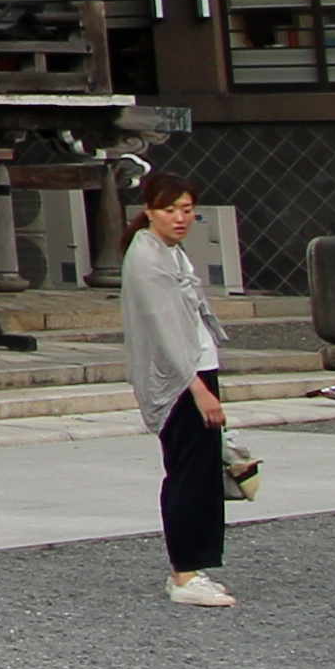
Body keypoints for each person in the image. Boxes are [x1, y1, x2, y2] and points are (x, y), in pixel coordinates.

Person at [122, 175, 235, 603]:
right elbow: (165, 332)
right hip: (179, 379)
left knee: (203, 472)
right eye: (170, 210)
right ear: (150, 211)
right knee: (188, 472)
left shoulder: (170, 251)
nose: (180, 218)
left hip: (197, 367)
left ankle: (194, 567)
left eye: (186, 209)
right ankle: (185, 573)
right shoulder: (147, 257)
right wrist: (199, 390)